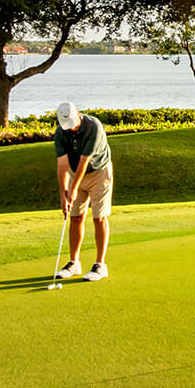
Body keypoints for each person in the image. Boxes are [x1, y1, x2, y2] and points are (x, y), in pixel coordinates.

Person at [54, 100, 113, 282]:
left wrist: (72, 189)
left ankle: (100, 265)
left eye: (72, 125)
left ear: (77, 114)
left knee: (98, 217)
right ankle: (74, 263)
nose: (70, 129)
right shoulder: (60, 132)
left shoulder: (93, 127)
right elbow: (63, 165)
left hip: (99, 173)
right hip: (74, 172)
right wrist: (64, 194)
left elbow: (83, 162)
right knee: (75, 216)